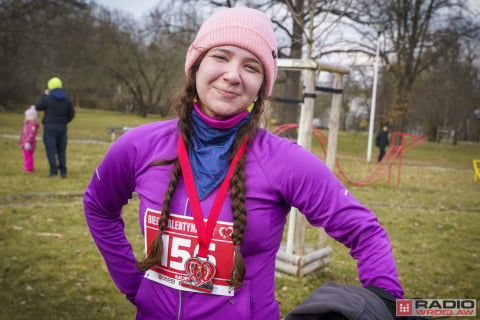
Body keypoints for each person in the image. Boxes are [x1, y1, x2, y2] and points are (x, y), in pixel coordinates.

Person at [84, 7, 404, 320]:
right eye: (220, 57)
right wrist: (134, 285)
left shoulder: (284, 161)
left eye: (251, 67)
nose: (233, 76)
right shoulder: (139, 146)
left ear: (261, 87)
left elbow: (365, 231)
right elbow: (98, 206)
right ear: (196, 66)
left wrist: (385, 301)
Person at [35, 76, 75, 178]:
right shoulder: (66, 100)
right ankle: (63, 172)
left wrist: (44, 95)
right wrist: (65, 121)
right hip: (62, 129)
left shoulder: (47, 98)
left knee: (51, 151)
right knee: (61, 151)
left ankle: (53, 172)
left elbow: (38, 107)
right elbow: (71, 114)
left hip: (49, 129)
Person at [19, 105, 40, 172]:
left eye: (27, 116)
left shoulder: (32, 125)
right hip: (25, 142)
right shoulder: (27, 124)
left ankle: (29, 168)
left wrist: (28, 142)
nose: (25, 117)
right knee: (26, 155)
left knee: (28, 156)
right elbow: (24, 133)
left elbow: (31, 134)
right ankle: (27, 166)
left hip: (29, 143)